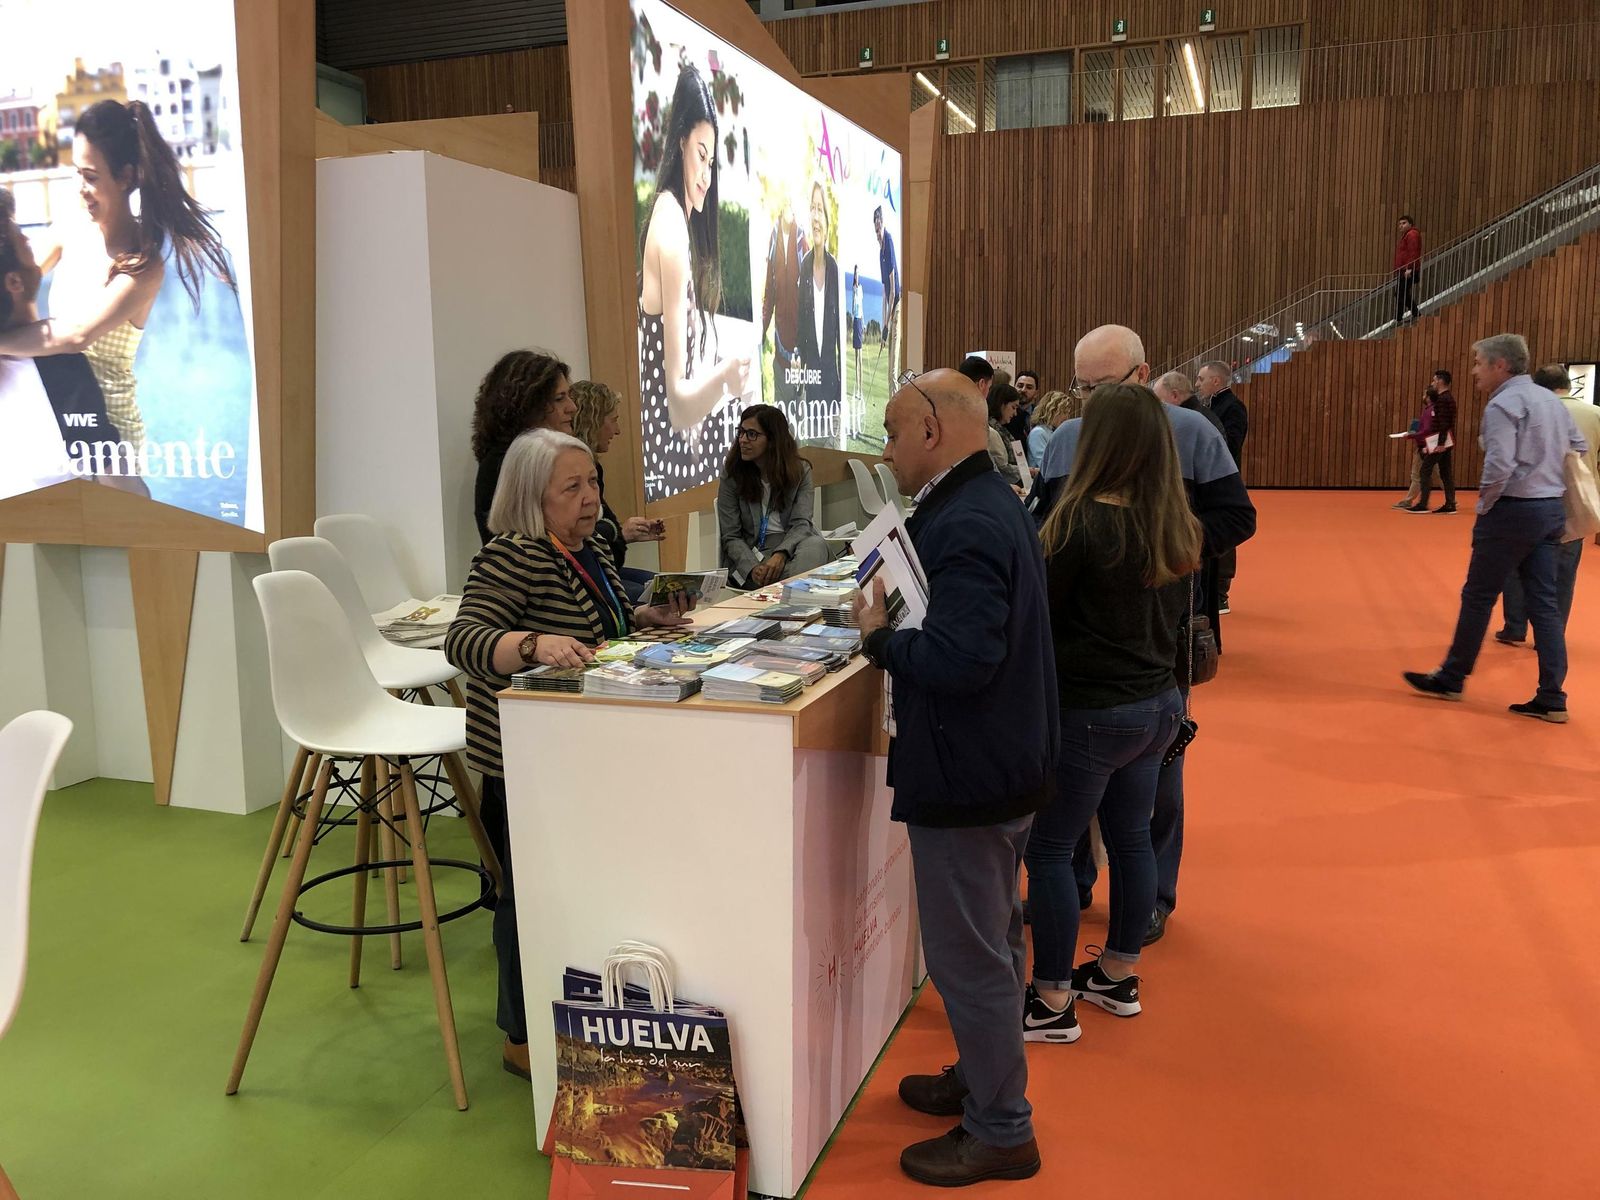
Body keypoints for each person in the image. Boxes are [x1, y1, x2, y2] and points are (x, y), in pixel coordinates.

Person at [852, 368, 1055, 1187]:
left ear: (931, 432)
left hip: (970, 774)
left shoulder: (965, 521)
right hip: (999, 765)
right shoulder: (987, 502)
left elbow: (962, 658)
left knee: (969, 955)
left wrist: (878, 638)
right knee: (994, 941)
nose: (890, 451)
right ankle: (984, 1077)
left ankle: (1003, 1128)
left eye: (895, 433)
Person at [445, 429, 695, 1081]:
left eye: (594, 483)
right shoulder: (513, 555)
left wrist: (643, 619)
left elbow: (600, 627)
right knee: (522, 897)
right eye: (573, 487)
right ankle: (519, 1034)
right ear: (534, 497)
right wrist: (531, 644)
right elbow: (465, 639)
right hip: (522, 760)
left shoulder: (586, 549)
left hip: (578, 752)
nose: (592, 498)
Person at [1037, 325, 1255, 943]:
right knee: (1088, 795)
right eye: (1082, 387)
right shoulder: (1064, 442)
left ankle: (1153, 899)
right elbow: (1046, 524)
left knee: (1156, 790)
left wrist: (1162, 552)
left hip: (1155, 643)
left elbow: (1237, 516)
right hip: (1092, 655)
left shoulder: (1194, 433)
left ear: (1140, 375)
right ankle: (1082, 895)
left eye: (1102, 386)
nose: (1089, 399)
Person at [1023, 383, 1200, 1042]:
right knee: (1130, 839)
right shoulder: (1174, 522)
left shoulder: (1074, 524)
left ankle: (1050, 1000)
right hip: (1157, 706)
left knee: (1050, 849)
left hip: (1092, 711)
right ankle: (1118, 974)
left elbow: (1039, 620)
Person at [0, 99, 233, 455]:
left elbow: (78, 335)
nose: (80, 187)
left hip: (114, 438)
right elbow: (20, 275)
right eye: (77, 172)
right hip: (63, 421)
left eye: (91, 177)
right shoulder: (71, 227)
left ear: (125, 177)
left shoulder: (142, 265)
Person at [1404, 334, 1585, 724]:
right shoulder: (1550, 401)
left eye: (1478, 363)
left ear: (1500, 365)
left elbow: (1500, 465)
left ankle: (1452, 677)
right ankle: (1552, 695)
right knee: (1545, 604)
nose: (1474, 371)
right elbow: (1578, 445)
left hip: (1512, 511)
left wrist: (1486, 505)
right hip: (1549, 509)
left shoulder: (1504, 404)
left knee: (1479, 595)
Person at [638, 64, 752, 497]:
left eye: (711, 160)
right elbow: (679, 404)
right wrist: (725, 378)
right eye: (701, 156)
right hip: (671, 461)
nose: (707, 174)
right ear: (681, 141)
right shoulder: (670, 228)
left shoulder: (672, 219)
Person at [0, 189, 144, 498]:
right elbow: (123, 489)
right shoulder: (62, 369)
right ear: (13, 282)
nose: (33, 246)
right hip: (54, 532)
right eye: (25, 240)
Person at [1496, 363, 1600, 648]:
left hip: (1532, 499)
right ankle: (1551, 635)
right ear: (1567, 382)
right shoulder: (1595, 414)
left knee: (1517, 564)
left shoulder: (1533, 411)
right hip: (1576, 503)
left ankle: (1515, 627)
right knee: (1564, 573)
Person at [569, 379, 666, 602]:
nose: (618, 430)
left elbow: (602, 529)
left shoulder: (593, 466)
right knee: (657, 596)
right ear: (593, 421)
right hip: (585, 574)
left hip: (605, 566)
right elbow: (587, 535)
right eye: (613, 420)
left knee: (664, 586)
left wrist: (624, 533)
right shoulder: (576, 469)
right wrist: (618, 532)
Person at [716, 404, 831, 587]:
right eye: (741, 432)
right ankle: (795, 597)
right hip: (752, 552)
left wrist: (781, 553)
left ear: (772, 440)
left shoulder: (800, 471)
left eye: (752, 434)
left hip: (792, 545)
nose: (743, 440)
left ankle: (791, 599)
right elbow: (731, 536)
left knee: (815, 545)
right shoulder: (732, 475)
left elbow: (801, 523)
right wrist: (753, 568)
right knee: (808, 574)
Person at [470, 350, 575, 543]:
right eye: (559, 398)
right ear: (528, 405)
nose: (572, 407)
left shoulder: (550, 457)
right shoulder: (503, 464)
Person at [1195, 361, 1248, 612]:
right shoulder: (1213, 406)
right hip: (1213, 475)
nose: (1198, 384)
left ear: (1216, 381)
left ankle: (1222, 591)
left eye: (1201, 379)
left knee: (1225, 529)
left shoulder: (1233, 407)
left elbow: (1232, 444)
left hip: (1225, 476)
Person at [796, 180, 842, 423]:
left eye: (820, 209)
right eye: (812, 209)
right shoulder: (803, 267)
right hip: (810, 389)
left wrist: (841, 393)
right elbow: (801, 329)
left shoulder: (835, 270)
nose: (815, 217)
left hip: (831, 387)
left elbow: (840, 342)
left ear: (827, 218)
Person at [761, 186, 803, 411]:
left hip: (799, 355)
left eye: (792, 200)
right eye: (786, 199)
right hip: (779, 353)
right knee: (780, 420)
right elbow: (769, 290)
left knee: (798, 427)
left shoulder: (802, 240)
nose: (789, 203)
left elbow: (809, 302)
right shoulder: (774, 237)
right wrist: (760, 331)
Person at [1405, 369, 1457, 514]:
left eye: (1434, 380)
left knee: (1425, 470)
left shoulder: (1442, 399)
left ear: (1440, 381)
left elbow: (1443, 423)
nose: (1433, 383)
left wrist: (1440, 443)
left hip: (1441, 441)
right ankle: (1450, 503)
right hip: (1446, 440)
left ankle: (1423, 504)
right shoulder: (1449, 398)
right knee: (1445, 473)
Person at [1153, 370, 1225, 439]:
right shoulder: (1206, 416)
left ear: (1175, 395)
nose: (1157, 408)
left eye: (1159, 402)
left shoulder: (1185, 424)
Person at [875, 206, 900, 398]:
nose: (877, 234)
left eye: (878, 229)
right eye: (875, 231)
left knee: (893, 367)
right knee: (888, 370)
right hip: (890, 306)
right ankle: (892, 403)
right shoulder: (880, 252)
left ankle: (896, 410)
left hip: (897, 306)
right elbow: (884, 292)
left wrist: (889, 320)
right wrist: (883, 324)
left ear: (883, 224)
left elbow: (892, 291)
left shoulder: (889, 242)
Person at [985, 381, 1025, 491]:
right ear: (1002, 404)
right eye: (1013, 407)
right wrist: (1029, 471)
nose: (1015, 413)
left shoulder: (1003, 430)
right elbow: (1002, 468)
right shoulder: (991, 432)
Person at [1026, 389, 1075, 467]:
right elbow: (1046, 465)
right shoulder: (1038, 433)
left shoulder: (1054, 432)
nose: (1067, 417)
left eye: (1068, 413)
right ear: (1051, 411)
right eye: (1064, 412)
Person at [1393, 214, 1423, 326]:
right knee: (1402, 293)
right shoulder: (1407, 236)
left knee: (1401, 293)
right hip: (1405, 270)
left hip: (1408, 270)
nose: (1401, 226)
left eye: (1404, 223)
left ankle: (1400, 318)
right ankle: (1414, 314)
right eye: (1400, 224)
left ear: (1410, 224)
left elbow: (1413, 252)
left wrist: (1409, 268)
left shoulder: (1412, 234)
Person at [1007, 370, 1040, 449]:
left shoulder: (1040, 416)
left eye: (1029, 387)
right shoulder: (1005, 415)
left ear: (1036, 393)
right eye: (1020, 386)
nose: (1023, 390)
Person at [851, 265, 865, 409]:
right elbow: (853, 305)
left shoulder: (860, 288)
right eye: (855, 273)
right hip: (855, 321)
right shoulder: (854, 289)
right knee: (856, 359)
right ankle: (857, 389)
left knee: (860, 359)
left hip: (860, 321)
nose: (857, 276)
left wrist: (864, 322)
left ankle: (861, 390)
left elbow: (862, 306)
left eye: (858, 273)